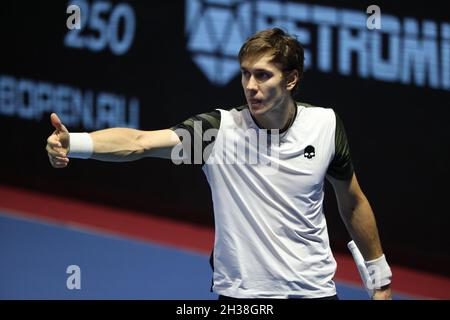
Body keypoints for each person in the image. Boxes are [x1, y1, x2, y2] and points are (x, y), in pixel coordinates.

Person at [46, 28, 392, 300]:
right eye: (245, 75)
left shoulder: (325, 126)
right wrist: (74, 143)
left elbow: (352, 201)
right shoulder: (217, 131)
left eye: (263, 75)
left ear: (291, 80)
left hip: (313, 291)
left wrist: (380, 281)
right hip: (242, 295)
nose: (250, 86)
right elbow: (139, 143)